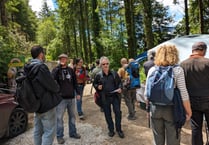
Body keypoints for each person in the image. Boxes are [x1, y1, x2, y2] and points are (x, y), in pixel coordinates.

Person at [144, 44, 192, 145]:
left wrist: (148, 110)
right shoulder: (177, 70)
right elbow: (183, 92)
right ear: (174, 55)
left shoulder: (152, 70)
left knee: (158, 138)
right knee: (173, 139)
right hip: (171, 109)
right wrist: (188, 111)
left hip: (155, 108)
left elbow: (146, 93)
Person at [24, 45, 62, 145]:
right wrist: (57, 88)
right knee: (49, 132)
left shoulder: (27, 67)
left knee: (37, 131)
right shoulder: (41, 67)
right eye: (43, 53)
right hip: (46, 105)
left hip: (35, 104)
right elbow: (52, 85)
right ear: (41, 54)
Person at [180, 42, 209, 145]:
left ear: (193, 50)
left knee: (196, 128)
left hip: (191, 101)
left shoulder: (183, 64)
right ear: (203, 50)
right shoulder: (207, 62)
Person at [52, 54, 81, 144]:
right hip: (61, 99)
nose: (63, 60)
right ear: (59, 60)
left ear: (67, 60)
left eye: (65, 58)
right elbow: (52, 78)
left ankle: (73, 133)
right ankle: (59, 136)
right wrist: (58, 67)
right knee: (59, 118)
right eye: (61, 59)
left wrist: (78, 93)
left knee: (72, 116)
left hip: (71, 97)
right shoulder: (56, 70)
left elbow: (75, 83)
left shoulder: (70, 70)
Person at [93, 56, 124, 138]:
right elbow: (94, 84)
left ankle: (119, 129)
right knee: (107, 114)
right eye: (103, 64)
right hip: (105, 98)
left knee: (117, 113)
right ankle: (111, 130)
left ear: (109, 64)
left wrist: (120, 88)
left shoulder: (114, 73)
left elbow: (120, 83)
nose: (106, 65)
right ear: (100, 65)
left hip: (115, 97)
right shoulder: (98, 75)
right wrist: (97, 87)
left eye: (107, 64)